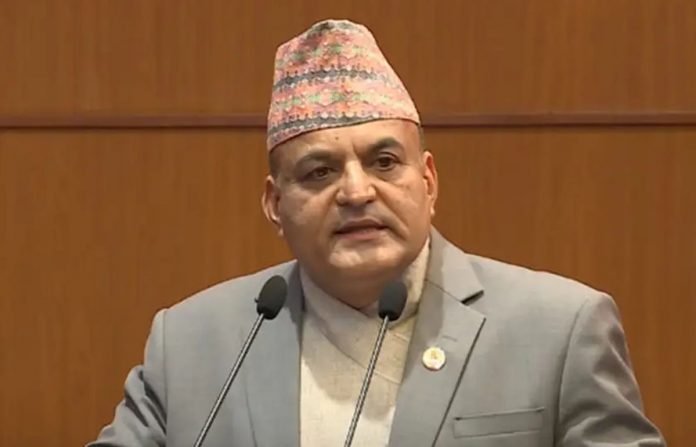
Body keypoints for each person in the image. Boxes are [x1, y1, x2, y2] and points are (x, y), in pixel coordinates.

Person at [89, 19, 665, 447]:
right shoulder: (192, 342)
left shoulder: (558, 329)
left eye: (384, 163)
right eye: (319, 172)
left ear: (428, 181)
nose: (356, 192)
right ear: (275, 204)